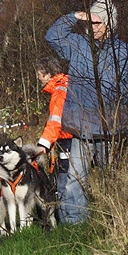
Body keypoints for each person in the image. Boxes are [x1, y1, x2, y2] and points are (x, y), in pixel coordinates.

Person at [45, 0, 128, 224]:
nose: (93, 27)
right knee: (74, 180)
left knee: (112, 180)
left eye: (98, 22)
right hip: (81, 127)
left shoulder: (124, 52)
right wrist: (75, 16)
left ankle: (114, 223)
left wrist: (123, 101)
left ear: (111, 23)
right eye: (91, 23)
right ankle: (75, 226)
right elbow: (52, 36)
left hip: (112, 127)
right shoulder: (79, 46)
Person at [34, 56, 73, 223]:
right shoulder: (65, 85)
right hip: (69, 139)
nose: (37, 77)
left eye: (39, 74)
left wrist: (43, 144)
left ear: (49, 74)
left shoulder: (59, 90)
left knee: (66, 181)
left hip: (68, 140)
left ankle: (69, 221)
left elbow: (55, 120)